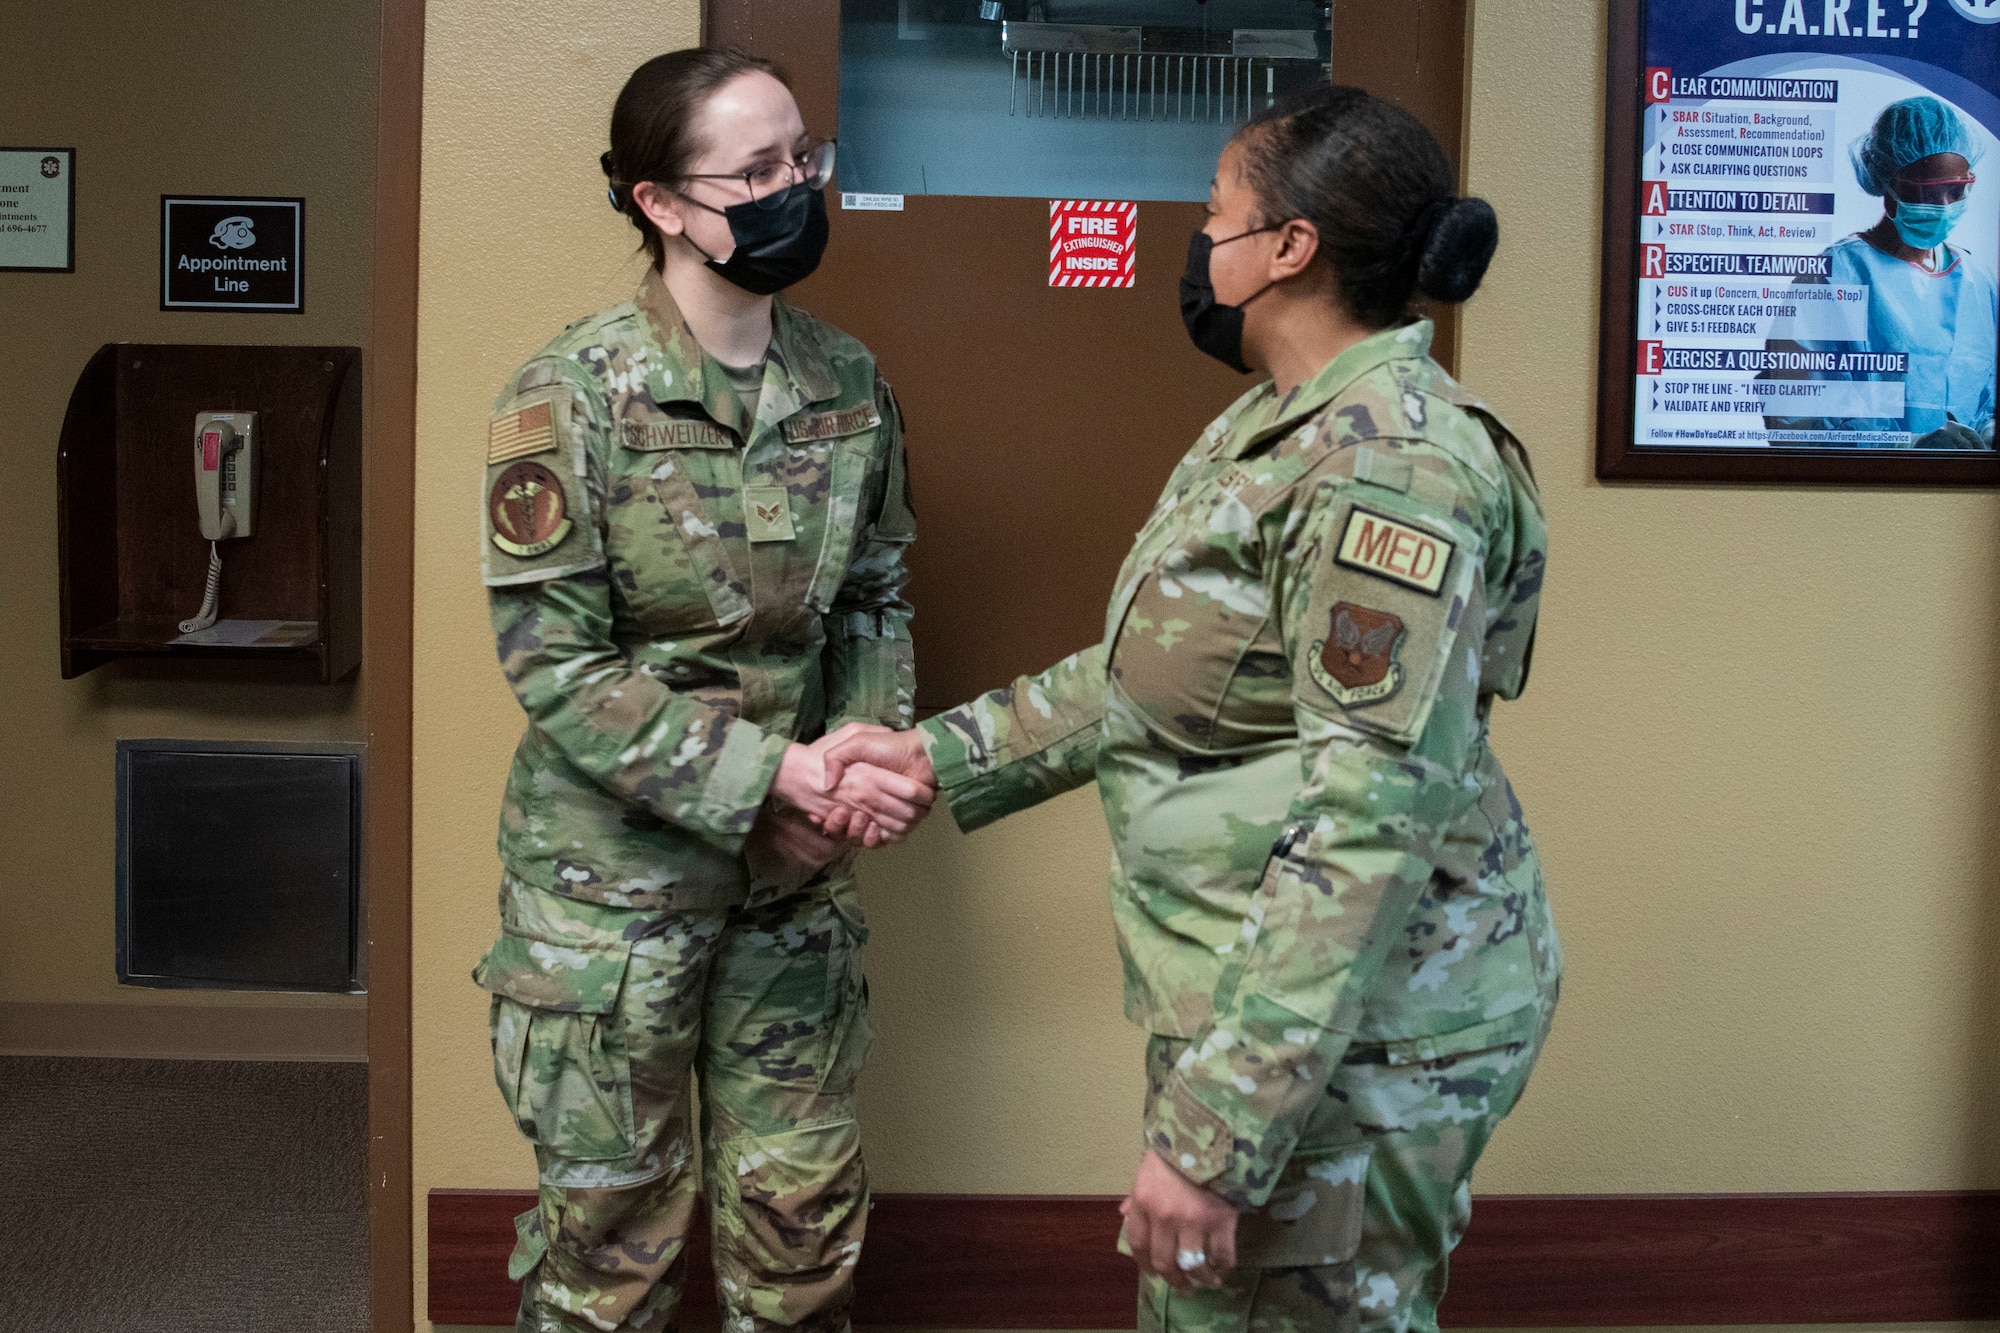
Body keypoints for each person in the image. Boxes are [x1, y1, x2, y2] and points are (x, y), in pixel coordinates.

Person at [818, 84, 1561, 1331]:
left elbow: (1368, 824)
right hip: (1259, 1005)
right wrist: (932, 752)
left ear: (1287, 247)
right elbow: (1158, 675)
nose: (1194, 239)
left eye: (1213, 212)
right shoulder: (1275, 427)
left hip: (1356, 1043)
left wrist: (1215, 1136)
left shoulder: (1386, 469)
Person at [471, 49, 933, 1333]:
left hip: (791, 886)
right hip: (611, 907)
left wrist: (852, 756)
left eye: (804, 158)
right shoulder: (569, 398)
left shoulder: (846, 381)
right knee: (607, 1255)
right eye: (757, 169)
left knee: (802, 1243)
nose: (795, 187)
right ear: (658, 203)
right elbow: (554, 664)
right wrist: (762, 778)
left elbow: (877, 594)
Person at [1766, 95, 1997, 448]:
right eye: (1927, 192)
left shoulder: (1979, 284)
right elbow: (1792, 418)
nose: (1944, 207)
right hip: (1866, 494)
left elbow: (1987, 397)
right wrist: (1904, 450)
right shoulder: (1833, 276)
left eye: (1957, 191)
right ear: (1887, 182)